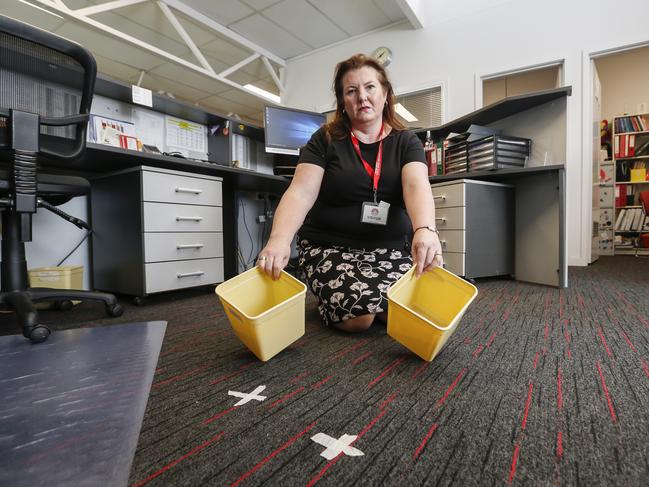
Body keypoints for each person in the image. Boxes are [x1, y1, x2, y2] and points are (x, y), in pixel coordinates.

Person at [257, 53, 443, 332]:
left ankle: (372, 300)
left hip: (388, 248)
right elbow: (300, 193)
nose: (362, 97)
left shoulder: (407, 141)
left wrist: (425, 230)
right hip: (330, 247)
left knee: (413, 312)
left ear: (385, 94)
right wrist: (279, 240)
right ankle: (351, 301)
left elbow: (416, 186)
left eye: (370, 87)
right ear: (343, 101)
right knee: (360, 318)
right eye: (351, 91)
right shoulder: (325, 139)